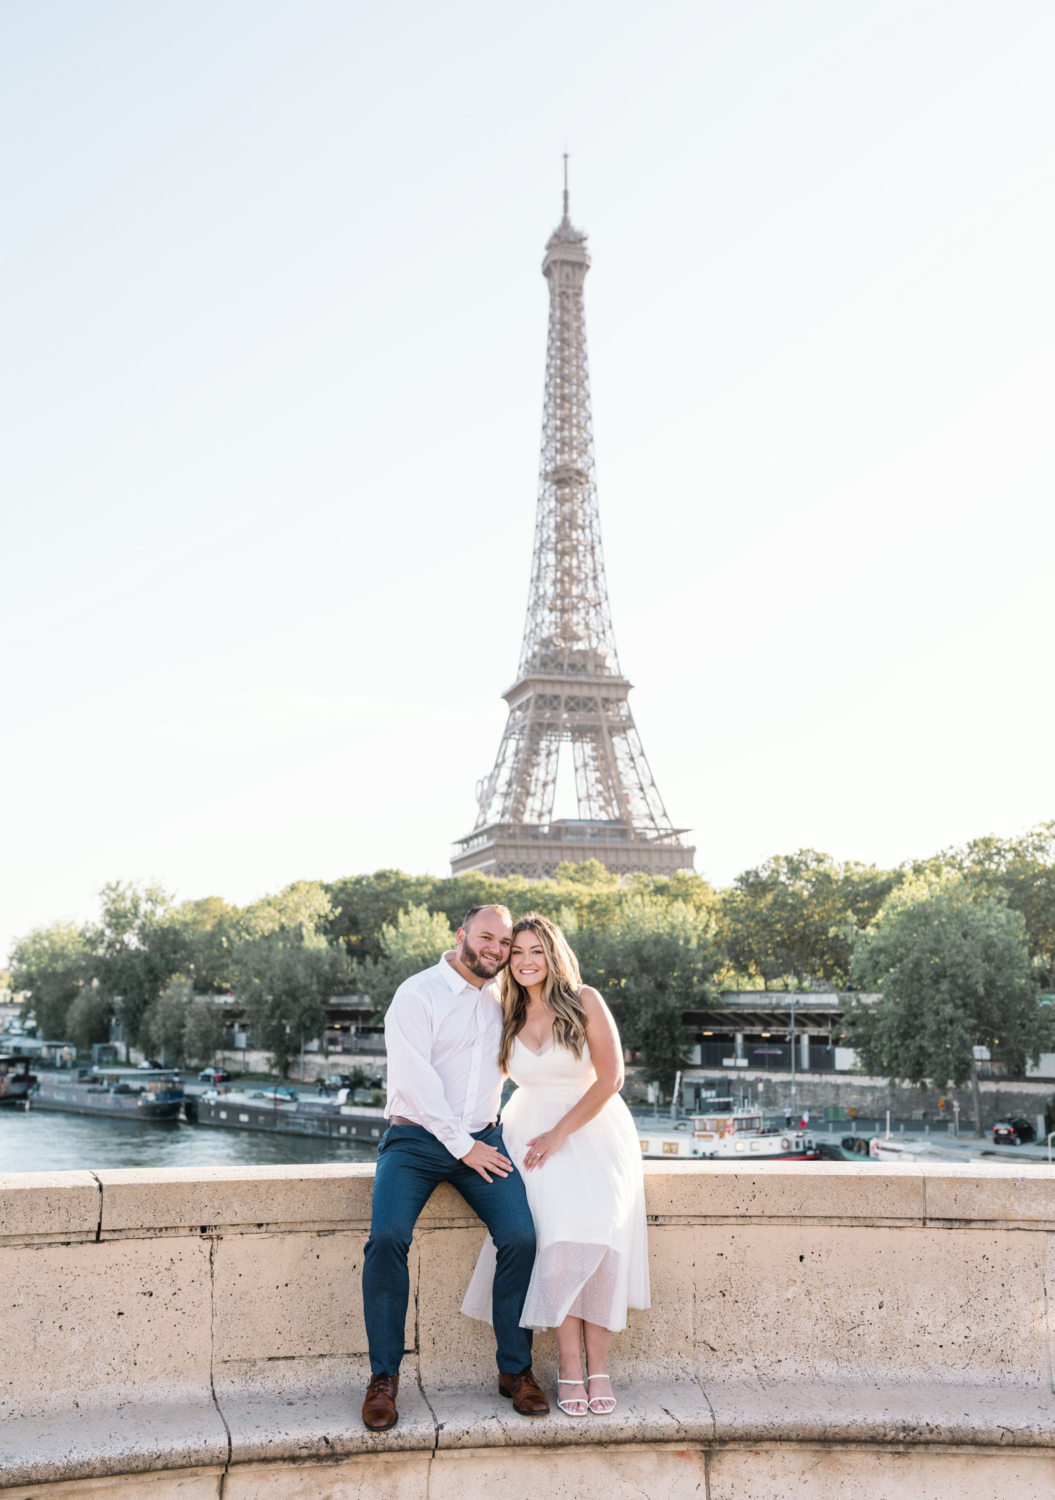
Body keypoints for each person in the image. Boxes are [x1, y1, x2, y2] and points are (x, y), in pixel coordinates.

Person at [360, 905, 547, 1431]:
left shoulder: (505, 998)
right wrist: (461, 1146)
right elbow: (415, 1081)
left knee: (520, 1237)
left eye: (505, 942)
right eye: (486, 937)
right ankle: (384, 1378)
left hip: (483, 1140)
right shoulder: (416, 994)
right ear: (462, 936)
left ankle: (515, 1370)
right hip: (416, 1141)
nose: (496, 948)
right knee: (388, 1238)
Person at [461, 913, 649, 1417]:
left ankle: (600, 1367)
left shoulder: (586, 999)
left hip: (591, 1132)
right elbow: (477, 1076)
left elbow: (610, 1078)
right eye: (516, 952)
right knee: (557, 1243)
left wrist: (559, 1134)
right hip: (527, 1136)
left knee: (600, 1241)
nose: (524, 961)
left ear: (553, 954)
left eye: (535, 951)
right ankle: (569, 1367)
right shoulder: (503, 1010)